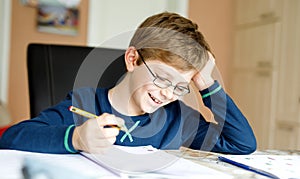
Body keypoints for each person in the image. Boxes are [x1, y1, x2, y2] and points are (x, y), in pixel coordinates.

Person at [0, 12, 256, 155]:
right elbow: (12, 137)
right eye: (163, 78)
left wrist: (207, 84)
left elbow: (241, 143)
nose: (168, 94)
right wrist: (76, 137)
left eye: (180, 87)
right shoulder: (84, 104)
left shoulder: (179, 120)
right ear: (133, 59)